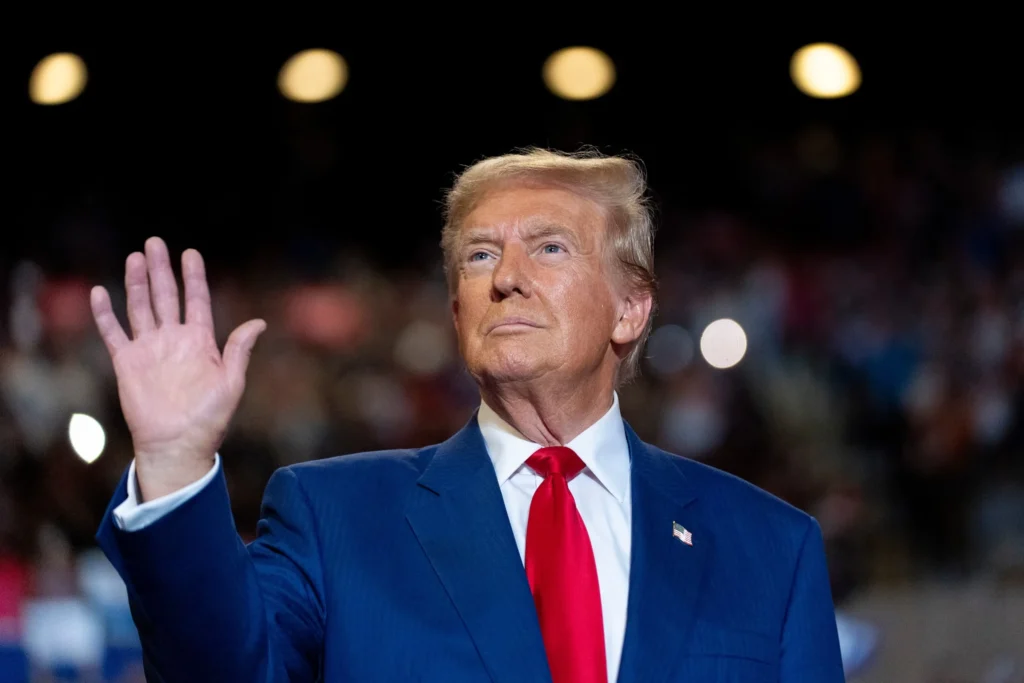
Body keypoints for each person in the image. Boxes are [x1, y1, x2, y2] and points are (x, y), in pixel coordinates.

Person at [91, 148, 845, 682]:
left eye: (550, 248)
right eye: (480, 257)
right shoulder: (335, 518)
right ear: (457, 314)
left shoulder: (771, 548)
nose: (508, 279)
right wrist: (176, 464)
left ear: (631, 308)